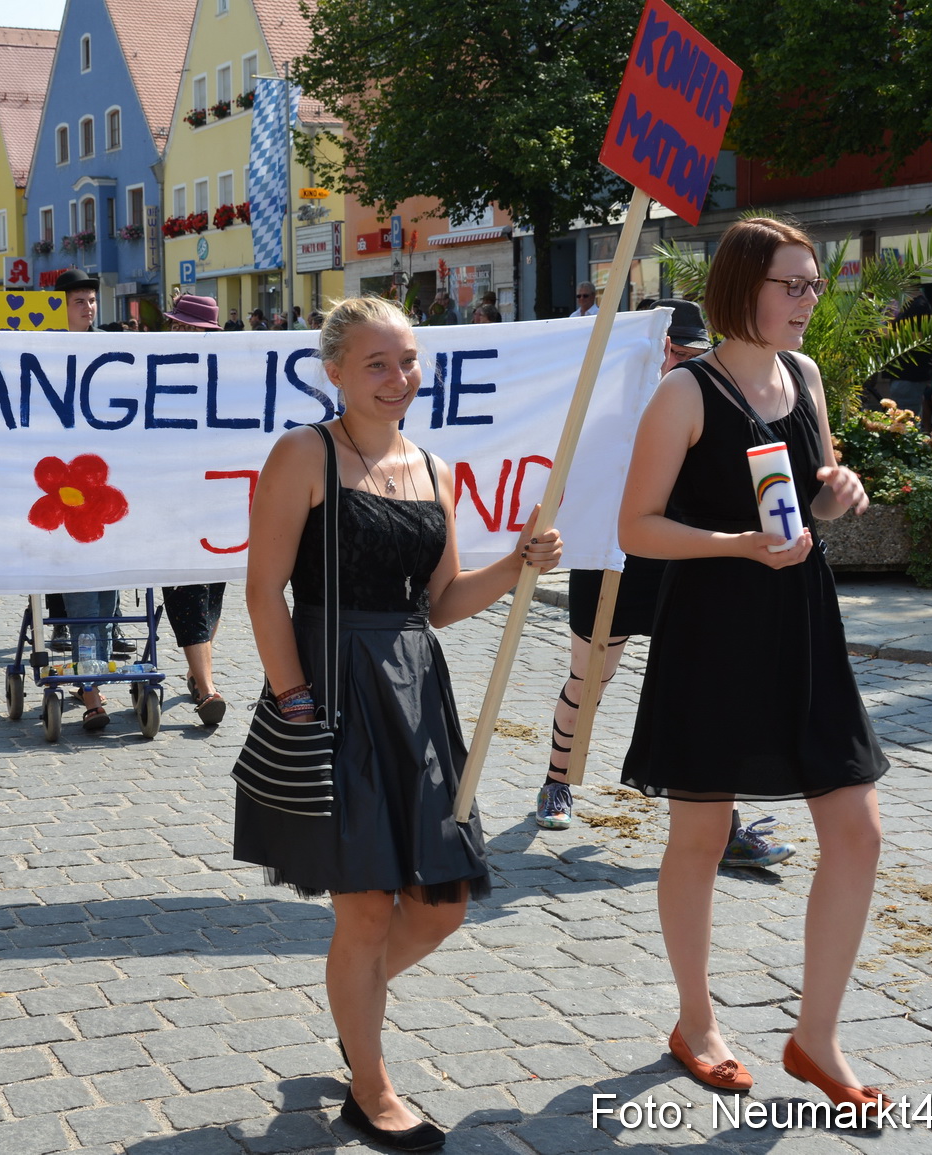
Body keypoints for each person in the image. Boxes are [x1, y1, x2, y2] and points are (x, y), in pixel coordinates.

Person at [239, 296, 562, 1150]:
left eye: (409, 360)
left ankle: (357, 1005)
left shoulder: (434, 469)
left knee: (442, 904)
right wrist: (296, 700)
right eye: (376, 362)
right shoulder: (303, 453)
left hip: (417, 695)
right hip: (333, 689)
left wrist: (516, 563)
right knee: (365, 909)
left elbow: (442, 602)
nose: (397, 377)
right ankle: (370, 1086)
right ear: (335, 371)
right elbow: (264, 590)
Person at [618, 217, 887, 1108]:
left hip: (804, 623)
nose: (809, 300)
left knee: (858, 829)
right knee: (700, 838)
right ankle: (695, 1020)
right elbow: (636, 527)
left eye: (814, 284)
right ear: (745, 287)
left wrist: (839, 491)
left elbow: (814, 492)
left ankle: (816, 1036)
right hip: (712, 632)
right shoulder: (685, 394)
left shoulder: (804, 376)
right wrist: (737, 543)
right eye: (793, 284)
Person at [535, 300, 796, 870]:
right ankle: (558, 781)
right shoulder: (605, 406)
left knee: (708, 692)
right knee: (590, 675)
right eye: (669, 349)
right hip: (611, 556)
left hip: (682, 557)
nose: (677, 360)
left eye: (687, 351)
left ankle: (725, 826)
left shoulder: (702, 396)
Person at [50, 269, 128, 731]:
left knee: (106, 591)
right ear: (61, 306)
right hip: (62, 491)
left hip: (107, 491)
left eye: (92, 300)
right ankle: (90, 688)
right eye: (80, 301)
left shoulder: (110, 351)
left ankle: (96, 669)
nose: (89, 308)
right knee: (82, 593)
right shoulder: (46, 350)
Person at [159, 294, 230, 726]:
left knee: (213, 593)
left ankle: (196, 672)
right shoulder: (154, 372)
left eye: (189, 328)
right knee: (187, 590)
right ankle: (207, 688)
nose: (179, 333)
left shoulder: (224, 377)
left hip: (218, 498)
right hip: (170, 501)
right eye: (177, 325)